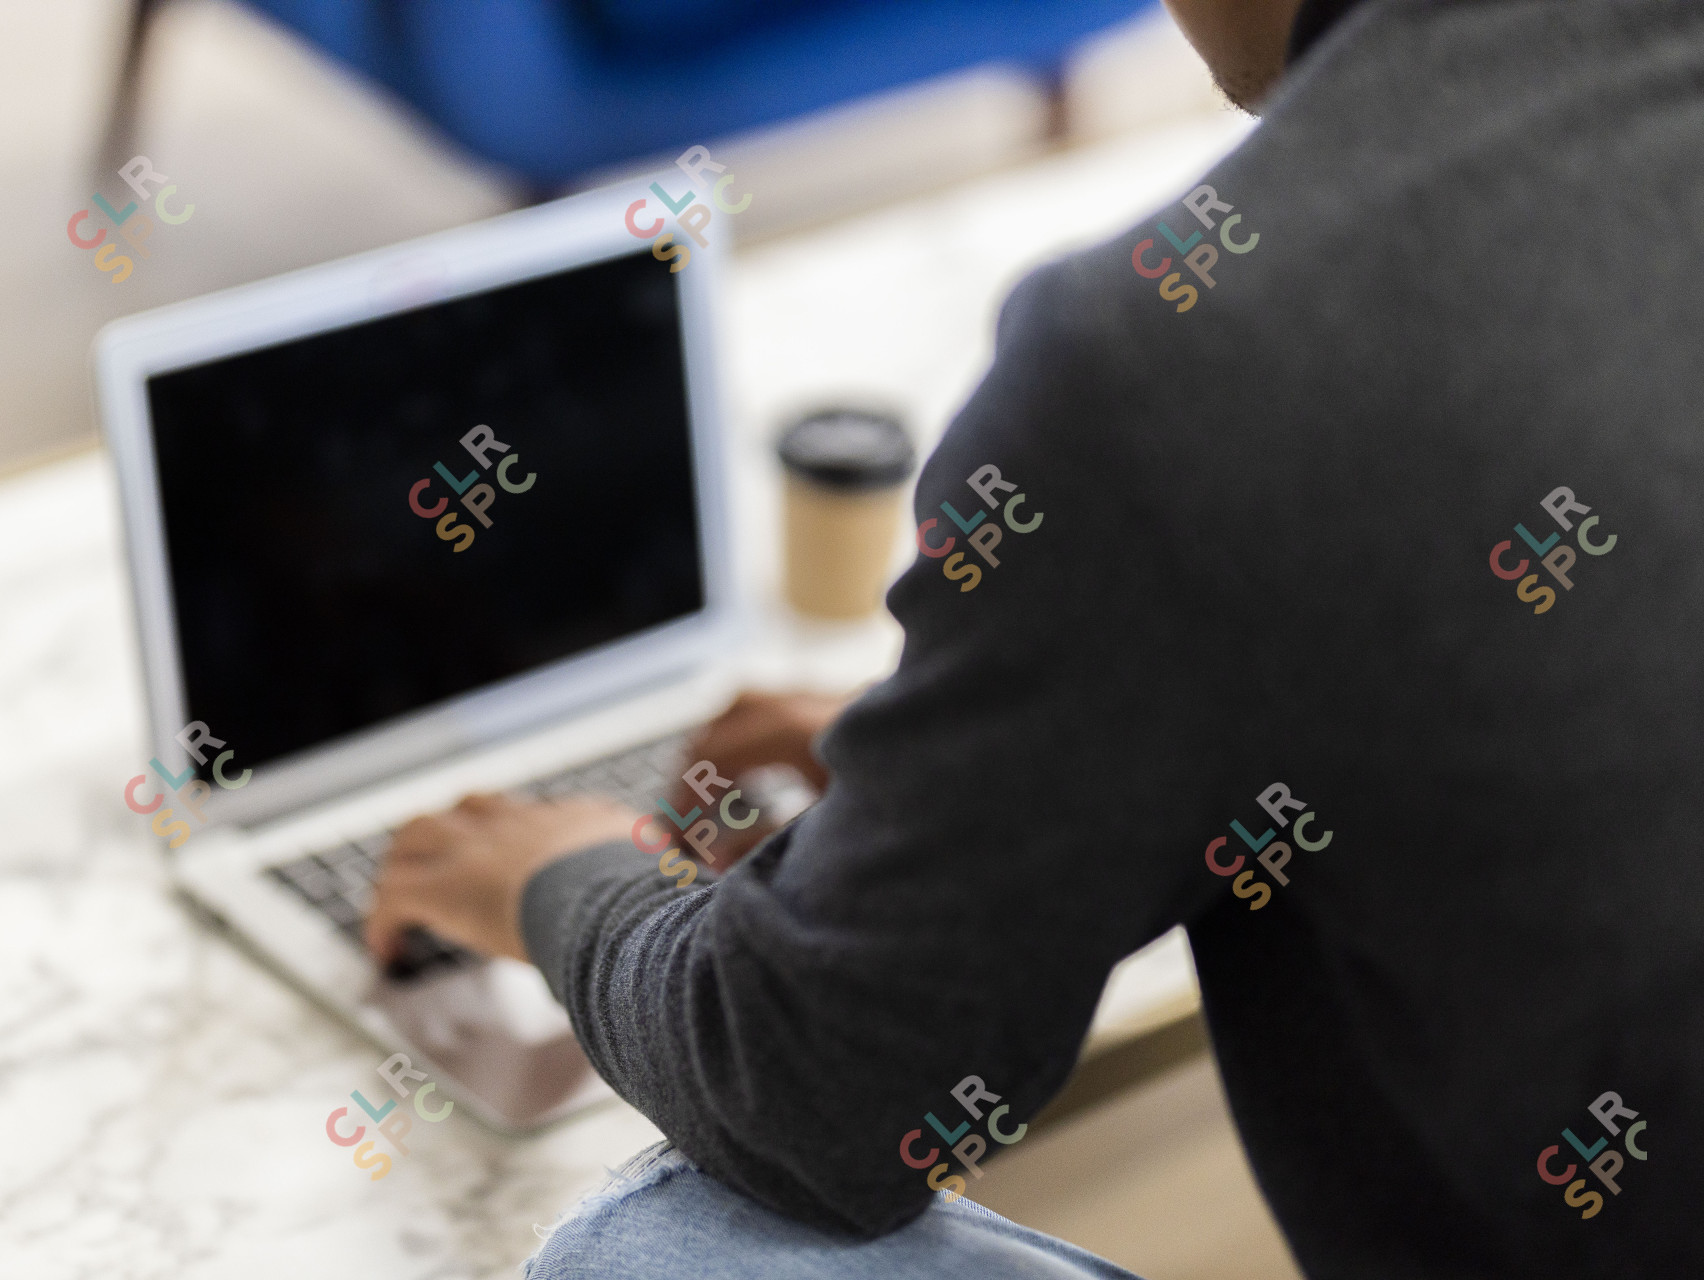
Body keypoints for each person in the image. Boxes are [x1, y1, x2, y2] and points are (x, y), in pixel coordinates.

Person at [363, 0, 1704, 1273]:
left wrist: (569, 880)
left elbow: (818, 1100)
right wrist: (1011, 752)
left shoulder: (1180, 359)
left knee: (654, 1249)